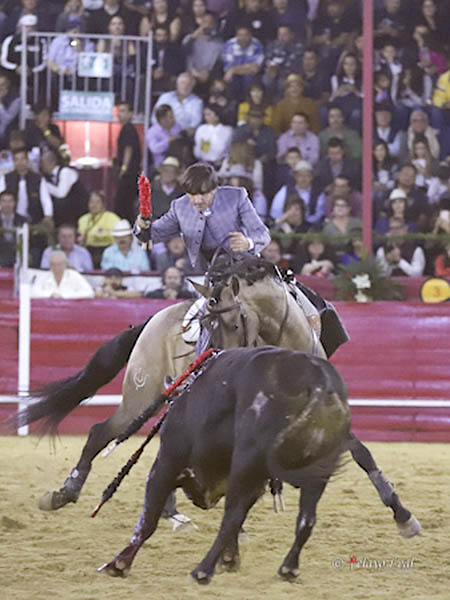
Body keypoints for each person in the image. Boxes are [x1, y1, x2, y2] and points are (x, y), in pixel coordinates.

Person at [135, 162, 270, 271]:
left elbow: (263, 234)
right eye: (192, 195)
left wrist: (249, 243)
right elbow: (154, 234)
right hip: (203, 272)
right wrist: (142, 227)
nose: (198, 200)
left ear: (215, 189)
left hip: (242, 266)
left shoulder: (236, 197)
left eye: (203, 194)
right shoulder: (179, 206)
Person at [0, 147, 53, 266]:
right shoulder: (6, 178)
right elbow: (2, 197)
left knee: (33, 249)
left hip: (33, 221)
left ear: (27, 160)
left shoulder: (37, 178)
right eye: (16, 159)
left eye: (23, 159)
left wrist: (48, 215)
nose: (20, 162)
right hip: (11, 219)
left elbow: (45, 199)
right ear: (13, 162)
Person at [40, 150, 88, 227]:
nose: (41, 166)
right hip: (63, 218)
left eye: (43, 163)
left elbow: (61, 193)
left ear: (51, 162)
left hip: (77, 213)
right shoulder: (47, 178)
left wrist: (46, 186)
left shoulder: (65, 172)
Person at [77, 190, 121, 269]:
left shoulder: (112, 218)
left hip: (108, 250)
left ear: (103, 204)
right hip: (88, 251)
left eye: (97, 202)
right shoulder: (82, 219)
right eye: (91, 202)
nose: (94, 205)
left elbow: (118, 238)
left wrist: (102, 234)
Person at [114, 101, 142, 224]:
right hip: (130, 173)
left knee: (124, 205)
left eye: (124, 111)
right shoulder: (126, 128)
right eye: (119, 111)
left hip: (129, 174)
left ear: (130, 114)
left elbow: (128, 149)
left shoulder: (128, 128)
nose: (120, 114)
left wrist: (124, 168)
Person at [222, 24, 264, 102]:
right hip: (234, 75)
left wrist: (234, 69)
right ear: (236, 36)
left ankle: (247, 104)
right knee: (230, 79)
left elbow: (255, 68)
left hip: (249, 75)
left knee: (248, 79)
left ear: (251, 35)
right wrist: (244, 67)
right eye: (240, 35)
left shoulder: (257, 45)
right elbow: (228, 68)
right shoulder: (230, 44)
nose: (243, 38)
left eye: (246, 35)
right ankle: (233, 105)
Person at [146, 104, 182, 169]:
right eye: (171, 117)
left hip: (178, 163)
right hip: (161, 165)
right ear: (163, 119)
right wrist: (169, 141)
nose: (174, 119)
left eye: (173, 116)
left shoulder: (177, 127)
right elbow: (154, 149)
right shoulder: (152, 132)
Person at [0, 190, 26, 267]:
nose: (7, 204)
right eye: (4, 201)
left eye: (10, 201)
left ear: (14, 203)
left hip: (17, 252)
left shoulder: (23, 220)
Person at [0, 74, 19, 151]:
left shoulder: (16, 99)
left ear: (7, 86)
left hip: (7, 136)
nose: (0, 88)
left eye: (2, 85)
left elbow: (6, 120)